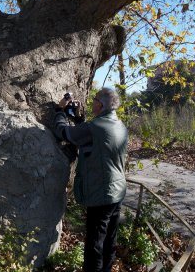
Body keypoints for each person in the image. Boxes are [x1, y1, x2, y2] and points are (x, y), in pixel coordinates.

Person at [53, 87, 128, 272]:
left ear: (100, 105)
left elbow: (63, 133)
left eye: (94, 99)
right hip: (117, 191)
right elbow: (95, 141)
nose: (92, 102)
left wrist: (60, 111)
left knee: (94, 244)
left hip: (101, 193)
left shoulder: (94, 128)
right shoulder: (118, 124)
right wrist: (79, 120)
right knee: (110, 239)